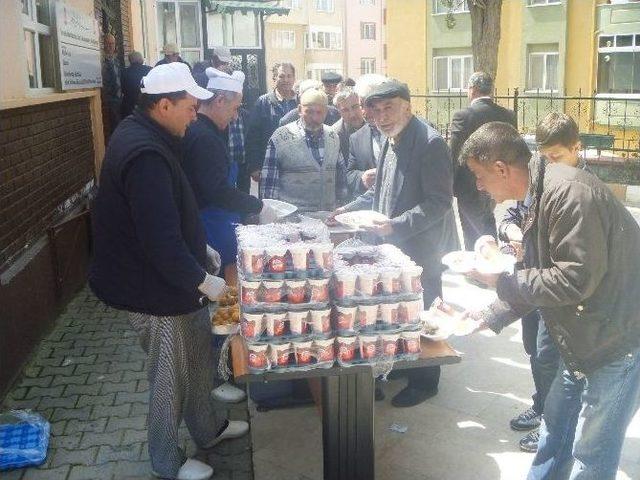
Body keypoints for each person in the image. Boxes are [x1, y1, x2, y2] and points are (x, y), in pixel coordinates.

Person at [89, 63, 248, 480]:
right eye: (190, 107)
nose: (195, 115)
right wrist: (205, 281)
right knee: (168, 376)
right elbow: (159, 240)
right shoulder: (144, 154)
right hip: (151, 290)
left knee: (197, 357)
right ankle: (165, 460)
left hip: (170, 281)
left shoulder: (151, 134)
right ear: (163, 104)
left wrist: (204, 251)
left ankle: (208, 428)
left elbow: (172, 217)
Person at [460, 121, 640, 480]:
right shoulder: (539, 191)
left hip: (617, 342)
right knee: (555, 432)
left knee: (592, 453)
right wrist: (488, 313)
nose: (478, 186)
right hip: (580, 337)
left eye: (479, 176)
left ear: (501, 169)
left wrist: (501, 281)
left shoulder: (569, 193)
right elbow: (541, 274)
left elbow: (574, 279)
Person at [331, 80, 459, 407]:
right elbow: (378, 193)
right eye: (377, 110)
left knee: (426, 311)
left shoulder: (430, 143)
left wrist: (395, 225)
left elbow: (439, 202)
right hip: (393, 247)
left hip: (422, 248)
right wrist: (348, 210)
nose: (383, 116)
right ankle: (406, 363)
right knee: (402, 311)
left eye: (389, 108)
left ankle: (427, 380)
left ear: (407, 106)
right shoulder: (390, 139)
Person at [499, 112, 588, 453]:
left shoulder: (584, 188)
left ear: (576, 148)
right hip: (531, 281)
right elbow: (511, 211)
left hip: (560, 292)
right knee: (534, 350)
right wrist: (510, 230)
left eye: (557, 157)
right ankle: (541, 404)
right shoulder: (537, 173)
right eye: (543, 156)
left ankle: (555, 424)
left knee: (554, 357)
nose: (549, 164)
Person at [182, 68, 263, 279]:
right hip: (210, 225)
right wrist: (258, 206)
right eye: (235, 108)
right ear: (219, 101)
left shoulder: (204, 130)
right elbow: (218, 191)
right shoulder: (204, 138)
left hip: (217, 221)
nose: (236, 116)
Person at [449, 72, 516, 249]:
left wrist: (449, 186)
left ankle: (479, 270)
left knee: (472, 233)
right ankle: (493, 262)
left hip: (468, 185)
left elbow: (453, 154)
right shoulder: (508, 115)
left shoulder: (463, 116)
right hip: (497, 182)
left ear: (472, 90)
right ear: (491, 90)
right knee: (487, 219)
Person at [259, 88, 347, 212]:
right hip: (292, 221)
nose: (314, 118)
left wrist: (340, 208)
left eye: (319, 112)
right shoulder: (280, 138)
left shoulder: (333, 137)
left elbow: (341, 178)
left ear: (326, 112)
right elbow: (268, 188)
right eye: (309, 112)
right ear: (300, 110)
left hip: (327, 218)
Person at [246, 62, 298, 185]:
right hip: (271, 164)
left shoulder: (302, 102)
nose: (286, 80)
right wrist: (254, 166)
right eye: (281, 76)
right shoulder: (263, 102)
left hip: (297, 165)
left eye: (289, 76)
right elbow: (253, 136)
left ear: (294, 78)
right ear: (274, 78)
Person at [345, 74, 388, 199]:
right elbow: (349, 174)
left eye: (369, 105)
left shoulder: (409, 131)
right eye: (361, 105)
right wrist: (362, 178)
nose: (364, 111)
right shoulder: (356, 138)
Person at [331, 87, 365, 165]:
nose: (352, 114)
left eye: (355, 107)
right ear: (339, 111)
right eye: (345, 110)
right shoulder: (333, 135)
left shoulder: (374, 126)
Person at [121, 51, 152, 117]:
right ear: (141, 59)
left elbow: (123, 89)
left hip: (128, 105)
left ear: (130, 61)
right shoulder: (149, 70)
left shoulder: (124, 72)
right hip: (145, 103)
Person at [102, 33, 122, 132]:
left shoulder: (116, 61)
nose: (110, 46)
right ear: (103, 44)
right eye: (108, 43)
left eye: (112, 44)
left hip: (118, 99)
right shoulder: (101, 60)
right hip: (108, 99)